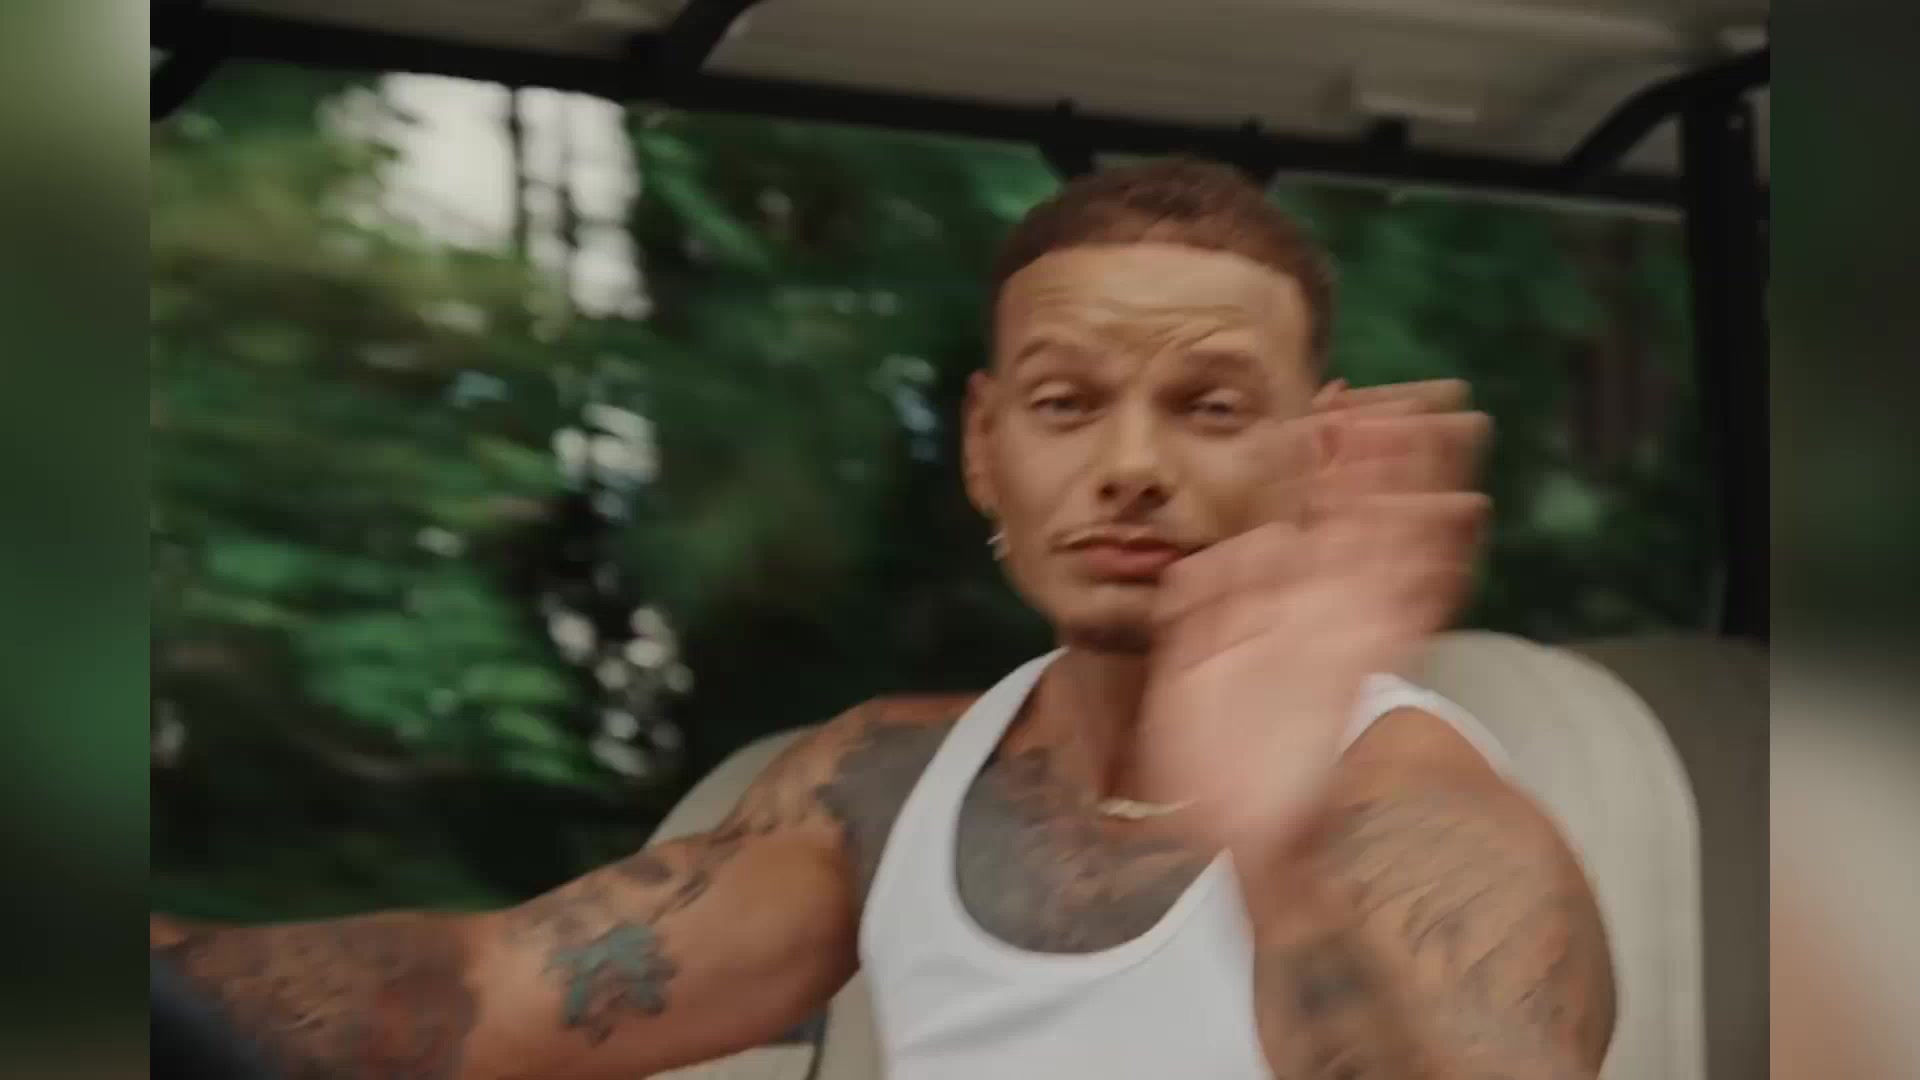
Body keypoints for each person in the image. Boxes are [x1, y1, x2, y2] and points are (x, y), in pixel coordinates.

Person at [151, 159, 1615, 1079]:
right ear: (985, 446)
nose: (1130, 464)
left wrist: (1275, 834)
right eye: (1066, 403)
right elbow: (481, 994)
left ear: (1312, 450)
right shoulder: (887, 789)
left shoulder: (1422, 810)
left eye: (1211, 406)